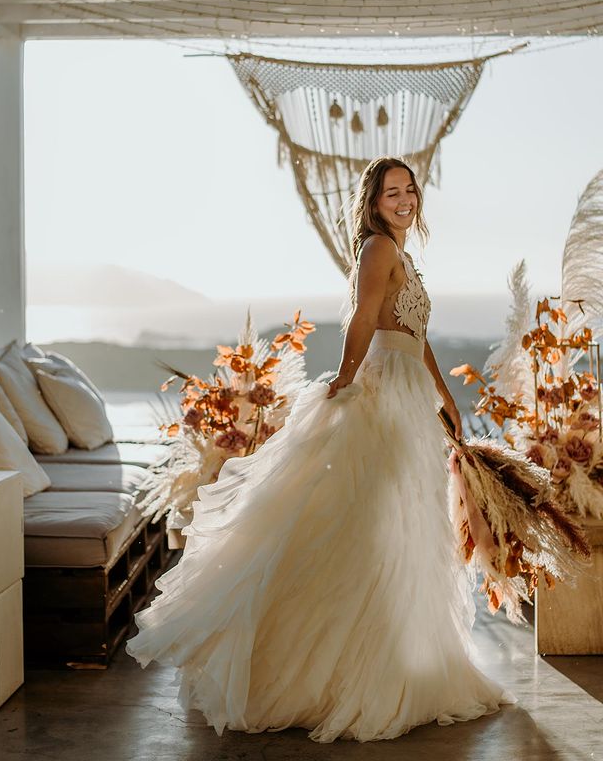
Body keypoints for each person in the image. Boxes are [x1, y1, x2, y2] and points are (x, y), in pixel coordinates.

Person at [125, 156, 517, 743]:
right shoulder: (378, 249)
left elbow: (418, 335)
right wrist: (345, 377)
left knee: (407, 529)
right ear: (374, 201)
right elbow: (363, 319)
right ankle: (346, 676)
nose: (405, 199)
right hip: (382, 394)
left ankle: (404, 665)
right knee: (374, 531)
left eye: (410, 190)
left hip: (411, 396)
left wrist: (445, 397)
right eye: (393, 192)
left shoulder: (402, 254)